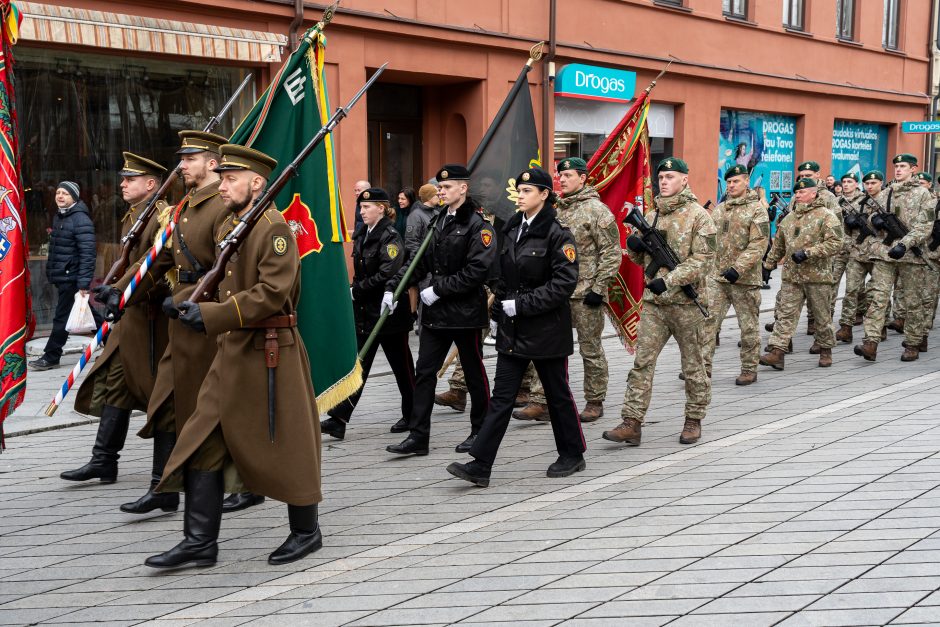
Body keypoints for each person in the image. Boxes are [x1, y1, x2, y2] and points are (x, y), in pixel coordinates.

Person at [145, 144, 322, 569]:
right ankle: (199, 541)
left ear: (256, 183)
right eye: (221, 177)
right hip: (231, 351)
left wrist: (210, 314)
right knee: (200, 438)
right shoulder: (233, 223)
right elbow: (218, 277)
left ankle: (306, 531)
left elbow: (270, 294)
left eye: (230, 179)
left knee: (286, 442)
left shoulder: (273, 230)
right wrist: (189, 302)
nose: (222, 185)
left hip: (270, 351)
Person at [102, 131, 252, 515]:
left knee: (221, 405)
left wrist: (215, 313)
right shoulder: (185, 206)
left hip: (209, 318)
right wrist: (120, 291)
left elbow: (233, 270)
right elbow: (157, 259)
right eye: (182, 159)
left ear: (212, 163)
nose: (182, 165)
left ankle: (247, 482)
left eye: (190, 159)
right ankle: (162, 487)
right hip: (182, 316)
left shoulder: (223, 207)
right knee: (166, 402)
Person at [446, 167, 584, 487]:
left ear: (544, 195)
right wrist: (498, 310)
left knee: (557, 394)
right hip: (514, 328)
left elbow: (563, 284)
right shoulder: (512, 227)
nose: (519, 196)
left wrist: (521, 305)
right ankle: (480, 464)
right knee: (502, 396)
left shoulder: (557, 234)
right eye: (518, 192)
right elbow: (504, 275)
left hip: (547, 328)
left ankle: (572, 453)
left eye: (526, 192)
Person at [63, 154, 172, 483]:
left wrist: (124, 294)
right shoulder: (134, 216)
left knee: (162, 395)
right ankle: (103, 459)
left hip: (150, 320)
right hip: (128, 318)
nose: (122, 184)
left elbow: (159, 269)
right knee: (115, 384)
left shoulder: (162, 216)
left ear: (151, 184)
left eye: (131, 179)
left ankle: (165, 477)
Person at [602, 157, 716, 446]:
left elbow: (702, 261)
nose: (663, 181)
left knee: (694, 366)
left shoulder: (699, 217)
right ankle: (632, 421)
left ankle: (693, 419)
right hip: (655, 304)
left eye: (670, 176)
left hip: (688, 306)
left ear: (684, 180)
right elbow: (643, 260)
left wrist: (671, 280)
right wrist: (635, 247)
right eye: (661, 177)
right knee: (642, 363)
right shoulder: (651, 215)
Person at [385, 164, 497, 456]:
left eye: (447, 187)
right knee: (424, 372)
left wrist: (439, 289)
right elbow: (418, 261)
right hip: (436, 315)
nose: (441, 191)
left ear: (463, 188)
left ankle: (480, 431)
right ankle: (418, 435)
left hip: (464, 313)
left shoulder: (478, 225)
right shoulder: (437, 222)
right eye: (440, 187)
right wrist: (394, 287)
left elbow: (478, 270)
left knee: (473, 373)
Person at [513, 157, 621, 423]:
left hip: (586, 294)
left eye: (568, 175)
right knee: (546, 347)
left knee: (590, 349)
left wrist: (599, 287)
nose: (562, 179)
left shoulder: (597, 210)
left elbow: (611, 253)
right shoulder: (554, 210)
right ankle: (541, 401)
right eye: (560, 176)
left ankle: (595, 401)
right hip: (555, 293)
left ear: (583, 178)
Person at [320, 188, 416, 440]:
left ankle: (414, 415)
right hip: (366, 312)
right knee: (358, 366)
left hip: (389, 314)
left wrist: (357, 290)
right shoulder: (364, 233)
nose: (361, 212)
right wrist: (356, 290)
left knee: (402, 368)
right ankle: (339, 419)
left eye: (367, 207)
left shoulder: (390, 236)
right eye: (361, 208)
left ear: (381, 208)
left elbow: (388, 273)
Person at [854, 153, 935, 361]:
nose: (898, 169)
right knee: (878, 297)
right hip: (884, 254)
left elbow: (925, 226)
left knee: (913, 301)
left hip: (911, 256)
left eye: (903, 166)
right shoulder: (885, 193)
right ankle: (870, 342)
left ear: (913, 169)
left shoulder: (922, 194)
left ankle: (913, 342)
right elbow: (870, 216)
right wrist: (876, 220)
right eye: (896, 166)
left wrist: (905, 243)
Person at [759, 178, 843, 370]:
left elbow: (836, 243)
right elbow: (779, 244)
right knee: (785, 315)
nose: (798, 195)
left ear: (814, 194)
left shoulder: (826, 216)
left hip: (818, 277)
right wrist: (769, 264)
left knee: (822, 316)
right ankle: (777, 352)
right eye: (796, 192)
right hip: (792, 277)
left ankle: (825, 350)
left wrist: (808, 253)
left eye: (802, 192)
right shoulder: (789, 218)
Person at [702, 164, 769, 386]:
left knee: (748, 325)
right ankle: (703, 368)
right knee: (708, 322)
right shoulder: (720, 209)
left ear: (746, 182)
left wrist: (738, 268)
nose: (731, 185)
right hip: (718, 277)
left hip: (745, 280)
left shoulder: (757, 210)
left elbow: (759, 244)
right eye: (729, 182)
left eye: (736, 181)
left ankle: (749, 369)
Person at [29, 181, 100, 370]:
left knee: (61, 317)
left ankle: (51, 356)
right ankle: (115, 343)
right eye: (58, 192)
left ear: (74, 197)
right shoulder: (61, 217)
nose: (60, 196)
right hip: (64, 276)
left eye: (65, 194)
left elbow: (88, 253)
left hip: (73, 278)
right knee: (87, 314)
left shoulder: (80, 219)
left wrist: (84, 283)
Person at [835, 171, 873, 344]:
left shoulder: (865, 201)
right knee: (850, 289)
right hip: (840, 250)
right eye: (844, 181)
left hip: (861, 250)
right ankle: (846, 327)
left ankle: (881, 325)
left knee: (870, 290)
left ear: (856, 184)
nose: (846, 184)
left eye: (850, 181)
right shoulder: (837, 202)